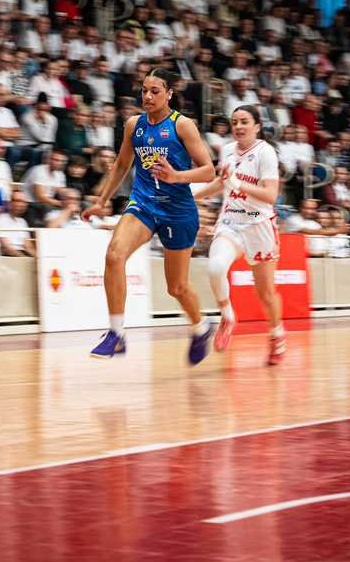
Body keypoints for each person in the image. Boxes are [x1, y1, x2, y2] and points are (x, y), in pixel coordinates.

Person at [82, 68, 216, 363]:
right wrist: (101, 201)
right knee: (114, 255)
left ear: (169, 94)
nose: (148, 96)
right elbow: (121, 165)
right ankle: (116, 333)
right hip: (144, 204)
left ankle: (201, 327)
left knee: (176, 288)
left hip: (178, 210)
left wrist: (177, 176)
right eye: (144, 90)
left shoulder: (183, 126)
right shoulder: (134, 124)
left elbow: (209, 171)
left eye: (155, 91)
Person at [193, 105, 286, 365]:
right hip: (231, 222)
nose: (238, 126)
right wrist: (192, 195)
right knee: (215, 267)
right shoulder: (226, 150)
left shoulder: (265, 152)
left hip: (259, 225)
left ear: (257, 126)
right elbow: (221, 183)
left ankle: (277, 334)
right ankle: (227, 316)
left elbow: (270, 195)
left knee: (266, 294)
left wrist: (238, 184)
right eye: (234, 122)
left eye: (244, 121)